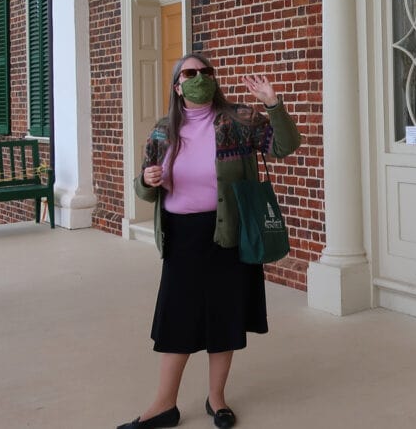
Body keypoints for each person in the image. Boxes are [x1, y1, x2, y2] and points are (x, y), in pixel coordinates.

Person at [118, 53, 301, 429]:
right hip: (182, 236)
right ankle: (163, 404)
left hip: (228, 233)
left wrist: (272, 103)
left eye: (205, 72)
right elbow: (144, 186)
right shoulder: (161, 131)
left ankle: (216, 398)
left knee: (224, 316)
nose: (199, 77)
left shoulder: (238, 120)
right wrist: (148, 180)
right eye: (190, 73)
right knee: (177, 318)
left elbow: (285, 146)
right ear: (177, 85)